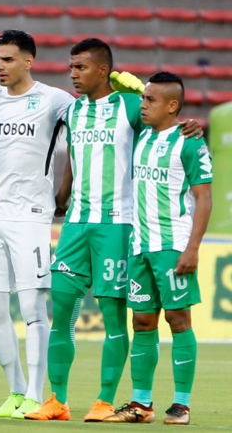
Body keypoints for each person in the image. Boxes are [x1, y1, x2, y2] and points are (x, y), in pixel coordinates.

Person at [26, 40, 202, 422]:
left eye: (81, 67)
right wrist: (63, 194)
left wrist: (190, 125)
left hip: (118, 226)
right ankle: (57, 400)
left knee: (115, 317)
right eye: (71, 67)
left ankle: (105, 400)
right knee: (62, 310)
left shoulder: (129, 106)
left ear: (103, 70)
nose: (73, 74)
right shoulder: (73, 110)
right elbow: (75, 155)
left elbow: (165, 121)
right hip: (76, 224)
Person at [0, 30, 75, 418]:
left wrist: (65, 189)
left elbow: (90, 130)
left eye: (7, 59)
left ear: (28, 61)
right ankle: (17, 391)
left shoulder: (54, 100)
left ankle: (37, 395)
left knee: (33, 307)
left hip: (31, 217)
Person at [104, 73, 212, 426]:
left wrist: (193, 248)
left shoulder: (190, 142)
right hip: (139, 246)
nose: (143, 105)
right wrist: (138, 90)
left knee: (178, 319)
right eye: (143, 98)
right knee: (142, 321)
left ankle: (181, 405)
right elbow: (131, 98)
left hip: (173, 245)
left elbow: (204, 198)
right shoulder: (143, 136)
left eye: (151, 100)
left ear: (172, 106)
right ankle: (141, 404)